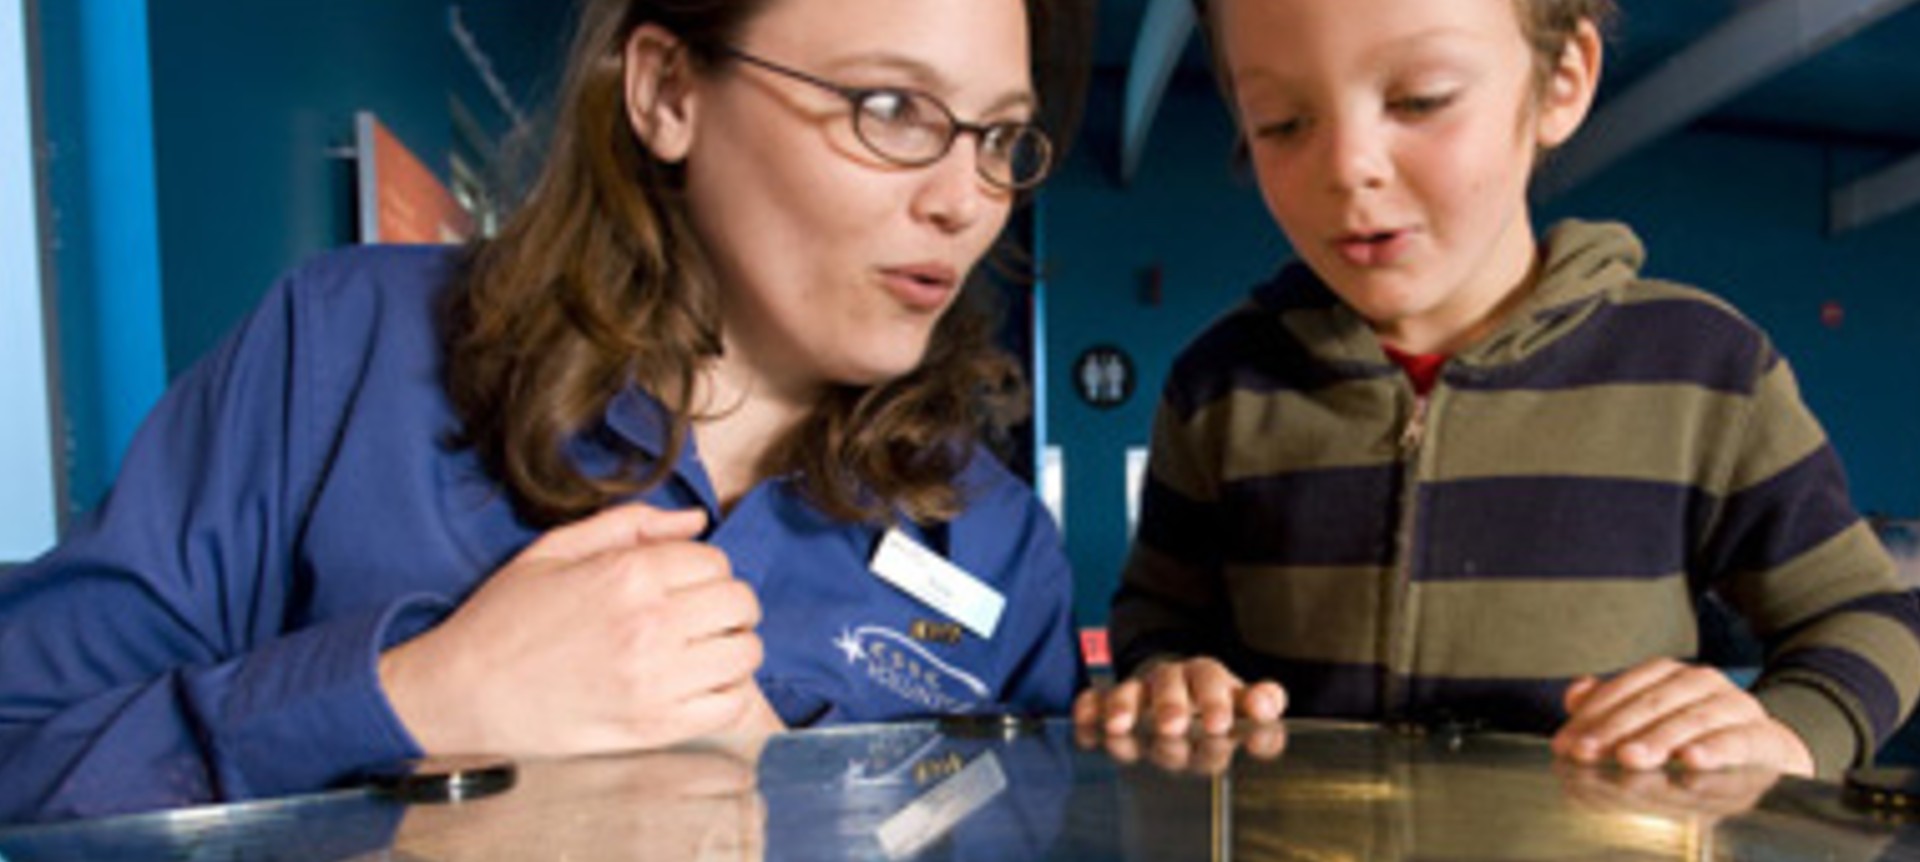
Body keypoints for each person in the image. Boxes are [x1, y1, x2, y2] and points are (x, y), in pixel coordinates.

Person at [0, 0, 1091, 823]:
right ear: (668, 91)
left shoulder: (997, 546)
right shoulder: (344, 354)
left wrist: (794, 801)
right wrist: (412, 698)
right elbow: (21, 756)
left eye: (999, 138)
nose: (963, 201)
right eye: (890, 109)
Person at [1073, 0, 1920, 779]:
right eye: (1282, 122)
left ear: (1561, 81)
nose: (1348, 166)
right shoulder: (1217, 384)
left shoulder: (1706, 367)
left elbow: (1868, 616)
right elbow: (1160, 617)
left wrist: (1787, 734)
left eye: (1420, 100)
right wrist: (1167, 679)